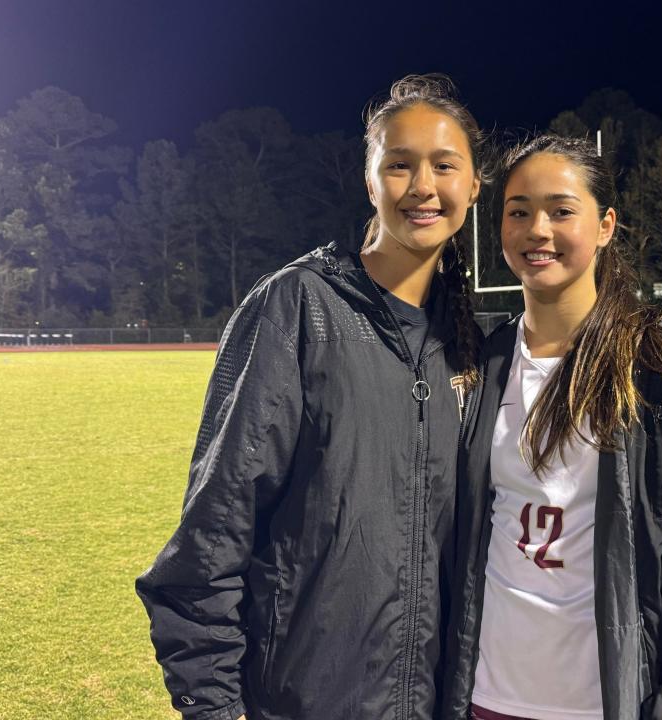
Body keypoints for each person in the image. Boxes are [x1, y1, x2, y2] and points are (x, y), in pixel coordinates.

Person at [136, 74, 488, 720]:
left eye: (445, 166)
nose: (424, 187)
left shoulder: (468, 347)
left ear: (473, 184)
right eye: (400, 165)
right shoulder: (296, 309)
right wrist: (214, 707)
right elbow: (210, 542)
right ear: (369, 181)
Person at [443, 135, 662, 720]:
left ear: (605, 226)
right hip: (483, 697)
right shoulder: (481, 365)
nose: (536, 229)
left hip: (608, 703)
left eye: (561, 210)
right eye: (518, 211)